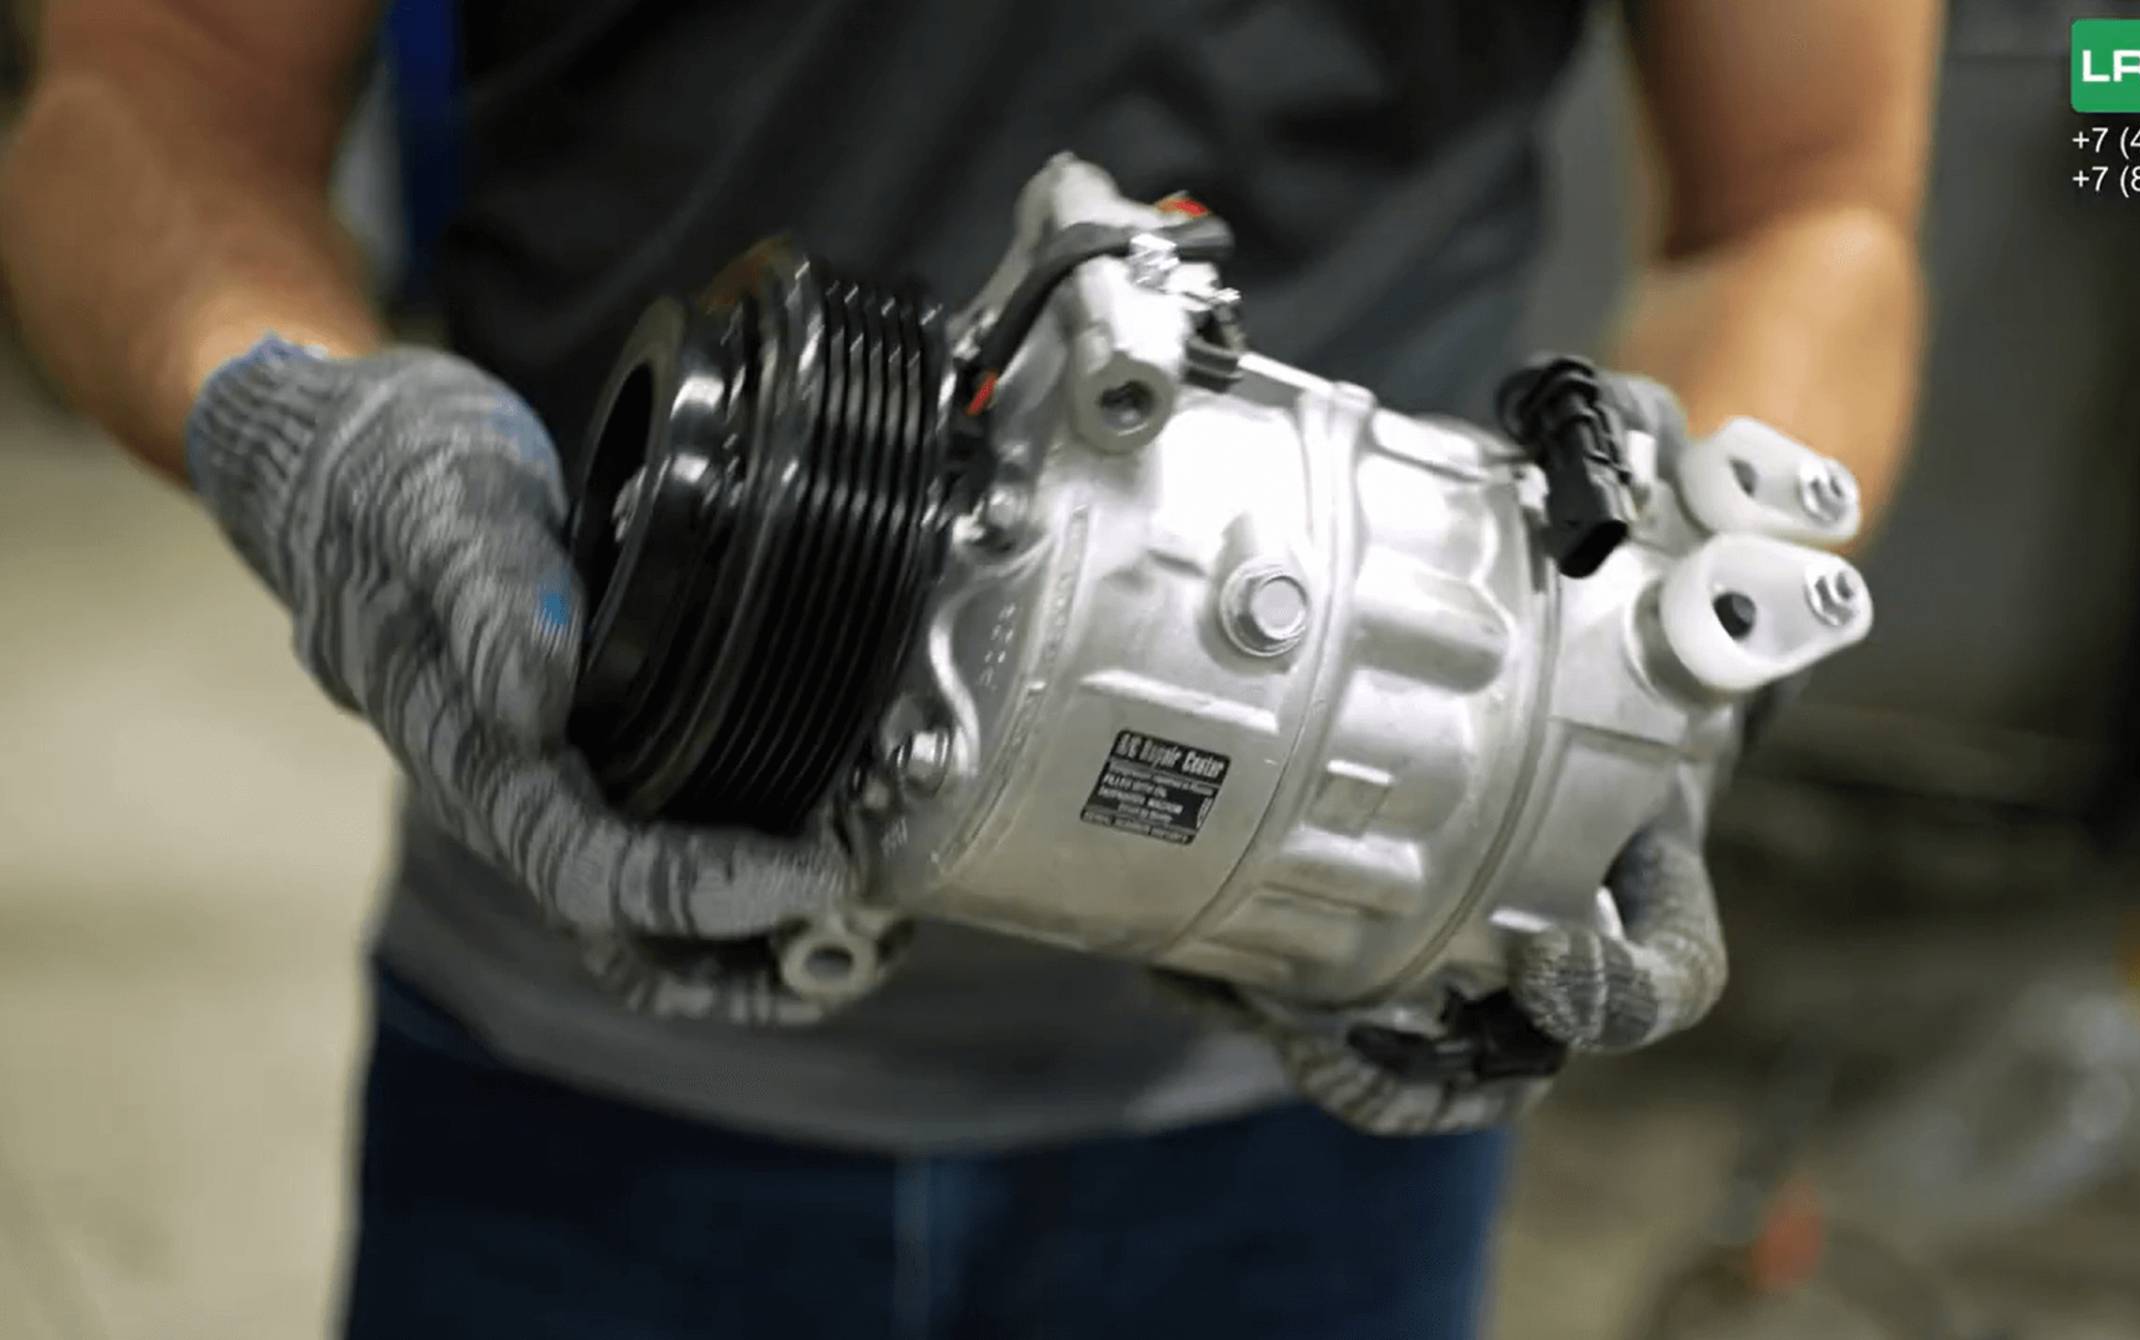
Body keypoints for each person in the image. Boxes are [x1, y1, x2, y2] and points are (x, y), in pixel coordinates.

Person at [0, 1, 1941, 1336]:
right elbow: (144, 91)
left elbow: (1811, 200)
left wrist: (1633, 688)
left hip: (1299, 1126)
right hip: (559, 1057)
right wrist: (300, 426)